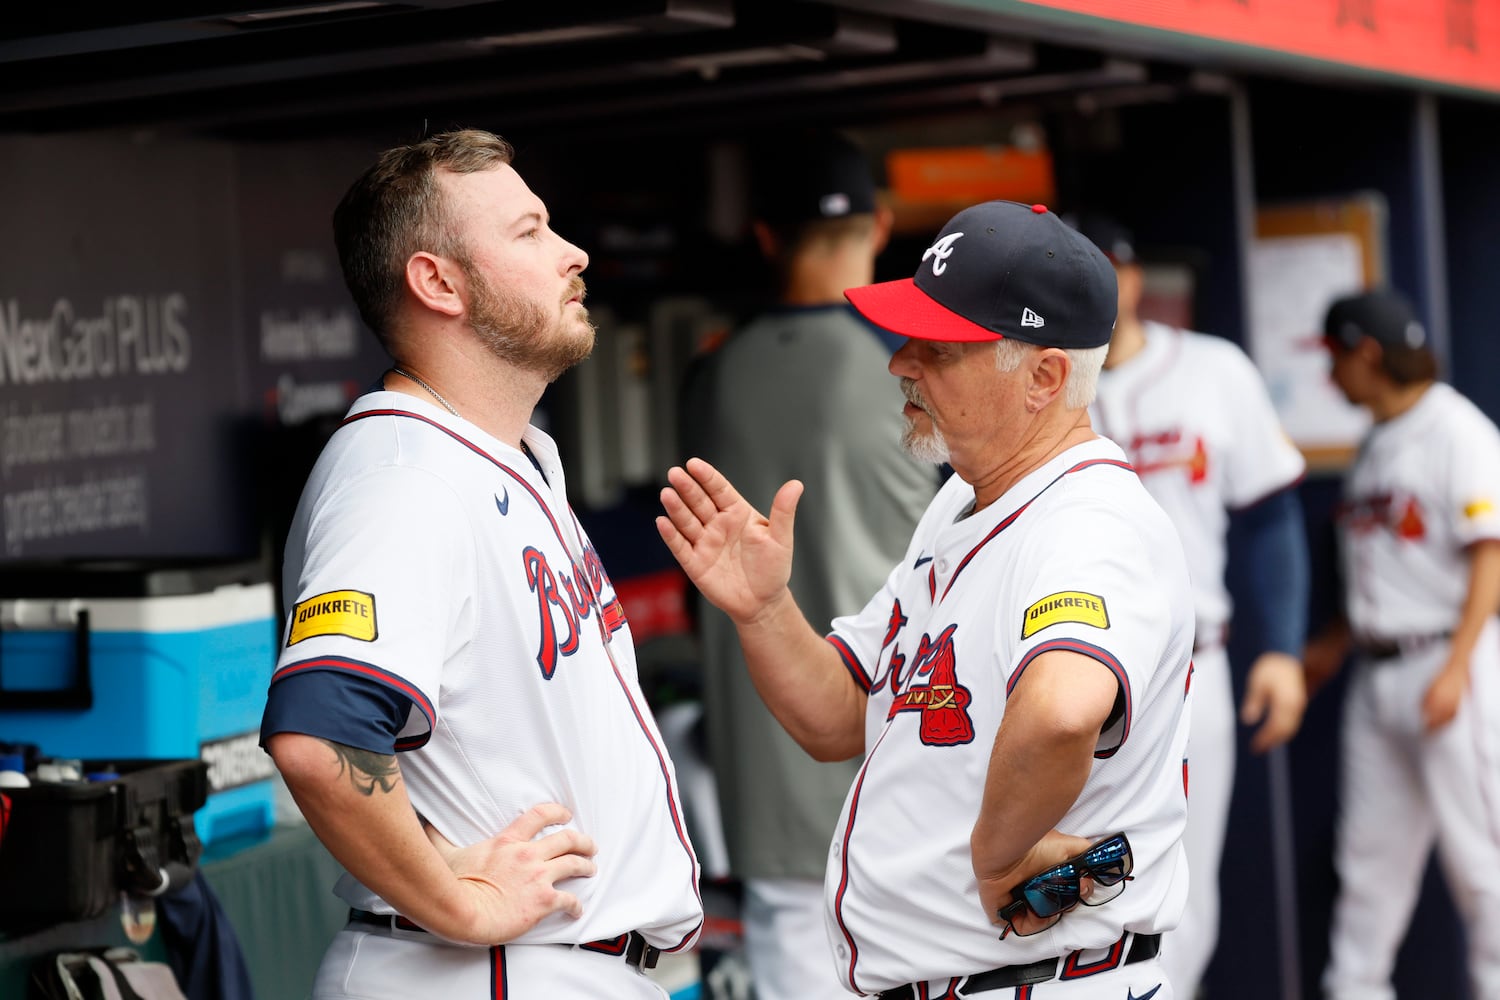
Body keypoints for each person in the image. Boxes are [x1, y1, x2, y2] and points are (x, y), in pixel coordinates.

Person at [658, 199, 1195, 999]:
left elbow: (1061, 711)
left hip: (1037, 980)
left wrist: (998, 859)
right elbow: (842, 715)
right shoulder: (961, 502)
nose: (900, 362)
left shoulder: (1091, 521)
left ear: (1044, 376)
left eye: (940, 348)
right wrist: (764, 610)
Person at [258, 128, 702, 1000]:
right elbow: (320, 736)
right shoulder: (403, 477)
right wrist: (456, 903)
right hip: (488, 969)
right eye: (529, 232)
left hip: (552, 966)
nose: (573, 253)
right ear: (438, 282)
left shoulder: (498, 454)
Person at [676, 129, 939, 1000]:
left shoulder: (712, 374)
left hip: (770, 741)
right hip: (919, 726)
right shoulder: (921, 363)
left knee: (799, 937)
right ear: (882, 223)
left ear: (763, 235)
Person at [1069, 214, 1310, 997]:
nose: (1102, 285)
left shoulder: (1214, 370)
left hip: (1194, 663)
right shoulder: (1035, 384)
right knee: (1081, 883)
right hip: (1068, 673)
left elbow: (1269, 516)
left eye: (1110, 269)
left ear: (1134, 278)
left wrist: (1280, 648)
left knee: (1187, 887)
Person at [1305, 287, 1500, 1000]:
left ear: (1367, 354)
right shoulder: (1376, 441)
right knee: (1367, 867)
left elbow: (1492, 555)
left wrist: (1455, 667)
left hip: (1451, 660)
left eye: (1336, 360)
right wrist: (1330, 644)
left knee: (1485, 870)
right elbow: (1384, 572)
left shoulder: (1457, 430)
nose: (1330, 378)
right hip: (1377, 671)